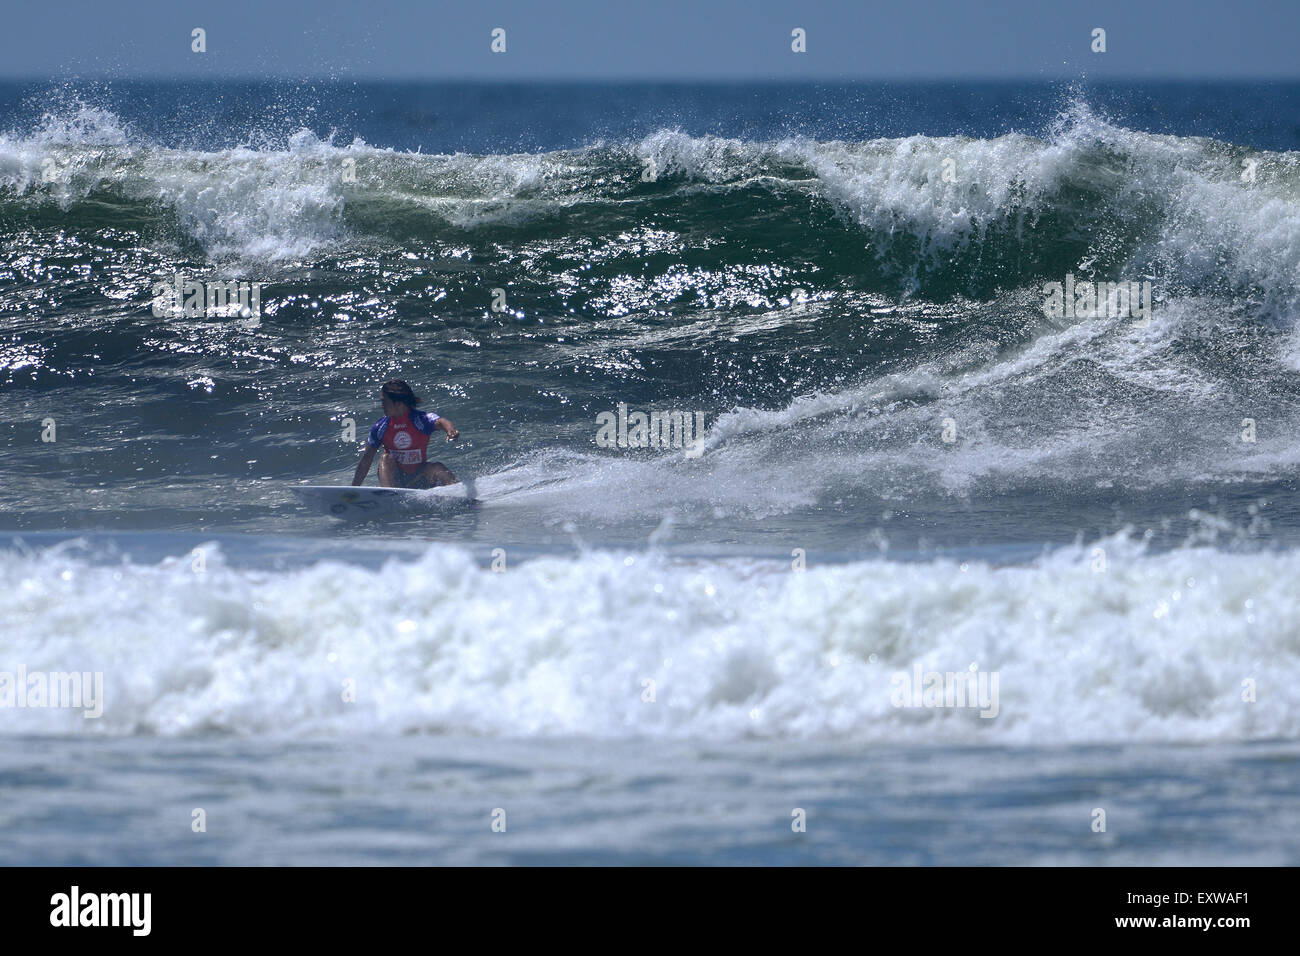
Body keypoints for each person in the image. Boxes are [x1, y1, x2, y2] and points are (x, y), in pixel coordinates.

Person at [351, 380, 459, 488]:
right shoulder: (381, 427)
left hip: (420, 478)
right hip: (396, 480)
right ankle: (389, 495)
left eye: (384, 402)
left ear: (397, 403)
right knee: (385, 459)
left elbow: (441, 422)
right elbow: (366, 459)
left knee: (437, 467)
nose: (382, 406)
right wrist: (354, 489)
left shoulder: (420, 420)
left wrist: (450, 430)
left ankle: (460, 495)